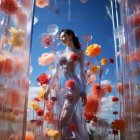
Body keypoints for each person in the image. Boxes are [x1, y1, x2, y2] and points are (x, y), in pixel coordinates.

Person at [44, 29, 88, 140]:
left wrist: (84, 90)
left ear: (70, 36)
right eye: (60, 38)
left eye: (64, 36)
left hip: (74, 86)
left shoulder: (79, 52)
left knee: (63, 119)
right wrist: (48, 88)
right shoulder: (60, 54)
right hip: (62, 88)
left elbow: (82, 72)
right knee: (71, 119)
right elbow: (55, 72)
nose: (62, 39)